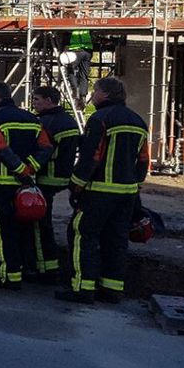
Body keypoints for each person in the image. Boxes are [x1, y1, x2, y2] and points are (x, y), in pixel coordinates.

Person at [58, 77, 149, 304]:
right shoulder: (138, 120)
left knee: (83, 235)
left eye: (95, 90)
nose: (92, 94)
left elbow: (91, 156)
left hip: (99, 192)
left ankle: (83, 288)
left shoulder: (100, 119)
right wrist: (135, 187)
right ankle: (112, 289)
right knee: (116, 239)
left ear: (105, 95)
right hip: (127, 193)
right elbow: (144, 159)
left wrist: (76, 186)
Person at [0, 82, 54, 290]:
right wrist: (30, 167)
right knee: (23, 230)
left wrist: (20, 168)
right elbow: (46, 147)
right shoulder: (32, 119)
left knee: (3, 233)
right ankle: (24, 270)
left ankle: (8, 276)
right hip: (26, 186)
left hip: (0, 185)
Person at [30, 86, 80, 283]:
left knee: (39, 225)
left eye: (37, 99)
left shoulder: (47, 122)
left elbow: (44, 151)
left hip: (45, 178)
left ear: (50, 100)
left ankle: (45, 267)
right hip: (65, 176)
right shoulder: (69, 121)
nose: (34, 103)